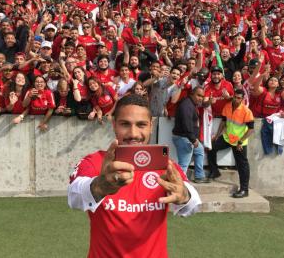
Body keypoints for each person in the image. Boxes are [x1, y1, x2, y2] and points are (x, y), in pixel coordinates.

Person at [68, 94, 201, 258]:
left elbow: (193, 205)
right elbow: (74, 197)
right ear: (114, 125)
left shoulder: (165, 166)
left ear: (151, 126)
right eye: (125, 124)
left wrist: (184, 195)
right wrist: (100, 186)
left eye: (141, 125)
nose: (133, 133)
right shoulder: (96, 162)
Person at [207, 89, 255, 198]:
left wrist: (241, 141)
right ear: (233, 96)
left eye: (239, 98)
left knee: (242, 165)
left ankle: (244, 189)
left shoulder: (246, 111)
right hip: (227, 138)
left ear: (242, 99)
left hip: (239, 142)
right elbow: (223, 122)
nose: (236, 99)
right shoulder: (227, 106)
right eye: (235, 97)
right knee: (211, 147)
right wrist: (217, 135)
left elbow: (251, 129)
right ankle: (215, 171)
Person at [172, 87, 209, 183]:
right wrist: (193, 139)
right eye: (198, 95)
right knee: (183, 164)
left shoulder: (191, 104)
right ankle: (180, 184)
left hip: (187, 138)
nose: (201, 98)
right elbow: (186, 124)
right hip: (184, 138)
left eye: (202, 96)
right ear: (192, 94)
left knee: (200, 150)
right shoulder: (187, 105)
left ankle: (199, 176)